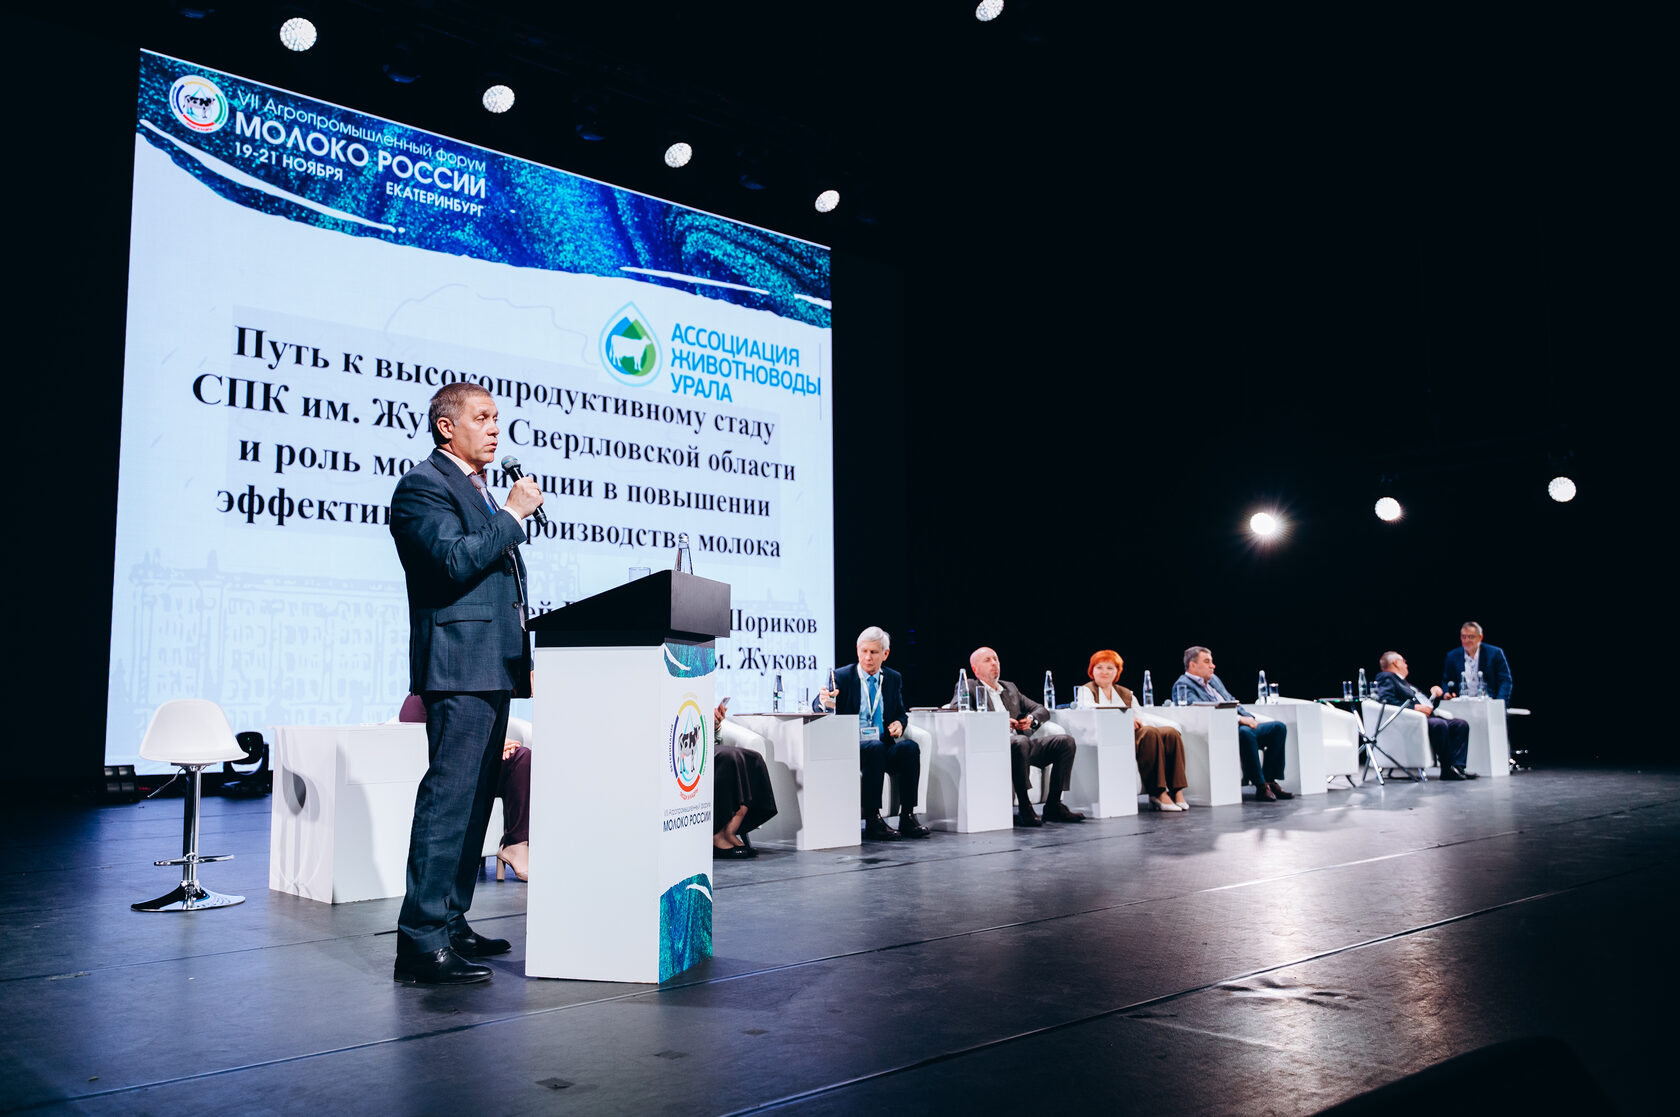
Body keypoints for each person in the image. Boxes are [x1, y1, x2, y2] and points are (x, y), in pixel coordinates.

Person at [389, 383, 544, 986]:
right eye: (482, 417)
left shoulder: (477, 489)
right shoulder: (422, 486)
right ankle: (420, 940)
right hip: (457, 668)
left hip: (491, 666)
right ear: (447, 428)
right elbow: (453, 562)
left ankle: (452, 920)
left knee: (476, 802)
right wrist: (512, 515)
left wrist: (521, 657)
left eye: (497, 417)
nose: (495, 427)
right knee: (448, 800)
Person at [492, 703, 775, 877]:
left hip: (682, 746)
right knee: (729, 758)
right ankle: (716, 833)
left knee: (748, 757)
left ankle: (728, 828)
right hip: (656, 752)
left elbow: (684, 723)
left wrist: (709, 724)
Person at [815, 627, 930, 840]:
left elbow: (900, 712)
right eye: (864, 651)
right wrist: (823, 701)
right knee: (874, 748)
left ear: (885, 654)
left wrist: (899, 723)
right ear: (857, 650)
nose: (867, 657)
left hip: (882, 748)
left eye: (874, 652)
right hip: (853, 749)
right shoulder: (842, 676)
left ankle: (908, 815)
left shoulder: (893, 678)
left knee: (910, 748)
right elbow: (822, 703)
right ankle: (872, 819)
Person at [965, 647, 1084, 827]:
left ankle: (1054, 805)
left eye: (996, 659)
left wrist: (1030, 720)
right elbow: (958, 712)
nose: (994, 663)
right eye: (987, 660)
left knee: (1065, 741)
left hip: (1023, 747)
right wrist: (998, 722)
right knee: (1021, 741)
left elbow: (1041, 709)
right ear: (975, 669)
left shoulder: (1010, 688)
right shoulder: (969, 687)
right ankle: (1025, 806)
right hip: (994, 747)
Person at [1172, 646, 1293, 802]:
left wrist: (1249, 718)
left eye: (1212, 661)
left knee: (1278, 728)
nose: (1212, 666)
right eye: (1207, 662)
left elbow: (1231, 700)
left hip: (1238, 725)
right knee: (1245, 733)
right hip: (1219, 730)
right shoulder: (1183, 685)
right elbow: (1198, 711)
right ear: (1192, 665)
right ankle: (1260, 786)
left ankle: (1270, 781)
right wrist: (1240, 720)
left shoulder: (1214, 680)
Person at [1075, 650, 1190, 812]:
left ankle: (1177, 791)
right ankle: (1157, 793)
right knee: (1149, 732)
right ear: (1092, 670)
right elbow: (1090, 710)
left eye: (1110, 668)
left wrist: (1135, 721)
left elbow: (1140, 717)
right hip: (1112, 737)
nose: (1104, 672)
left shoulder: (1126, 693)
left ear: (1117, 671)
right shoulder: (1086, 690)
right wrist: (1126, 719)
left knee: (1170, 733)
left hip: (1135, 734)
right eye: (1099, 667)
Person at [1373, 652, 1478, 781]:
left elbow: (1426, 705)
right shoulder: (1386, 677)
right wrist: (1413, 708)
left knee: (1460, 724)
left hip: (1424, 718)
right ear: (1395, 663)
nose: (1406, 664)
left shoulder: (1404, 683)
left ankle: (1458, 767)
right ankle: (1447, 768)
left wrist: (1435, 695)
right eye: (1404, 661)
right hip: (1407, 721)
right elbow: (1386, 700)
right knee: (1439, 724)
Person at [1441, 621, 1513, 700]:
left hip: (1488, 701)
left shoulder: (1495, 653)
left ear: (1480, 637)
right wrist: (1446, 692)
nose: (1466, 640)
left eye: (1471, 637)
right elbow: (1446, 680)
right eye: (1464, 637)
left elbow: (1505, 681)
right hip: (1462, 702)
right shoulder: (1452, 656)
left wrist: (1500, 702)